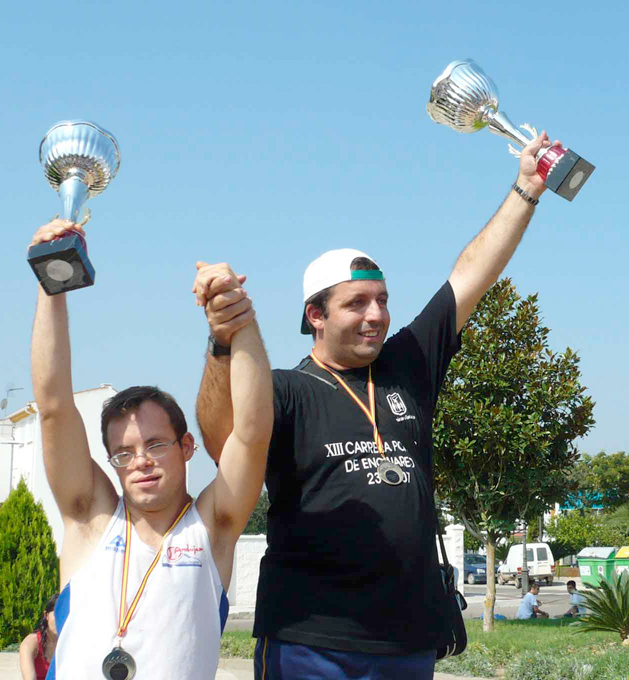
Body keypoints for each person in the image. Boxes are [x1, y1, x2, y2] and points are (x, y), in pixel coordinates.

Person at [195, 132, 564, 679]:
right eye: (357, 303)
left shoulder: (406, 366)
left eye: (383, 300)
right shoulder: (286, 390)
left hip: (407, 641)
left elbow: (469, 278)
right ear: (315, 315)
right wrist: (222, 342)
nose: (376, 315)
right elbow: (222, 438)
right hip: (308, 640)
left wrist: (526, 188)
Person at [29, 219, 272, 679]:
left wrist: (238, 320)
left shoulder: (214, 526)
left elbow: (252, 431)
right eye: (124, 452)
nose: (140, 460)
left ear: (187, 447)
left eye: (156, 444)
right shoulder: (89, 519)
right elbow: (54, 407)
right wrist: (51, 282)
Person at [19, 594, 59, 680]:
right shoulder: (30, 644)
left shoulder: (71, 643)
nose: (60, 619)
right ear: (46, 615)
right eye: (56, 614)